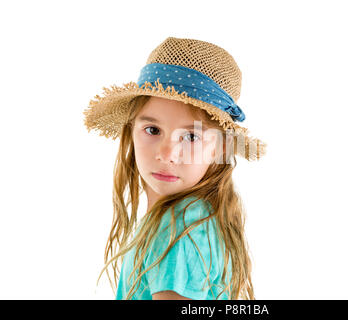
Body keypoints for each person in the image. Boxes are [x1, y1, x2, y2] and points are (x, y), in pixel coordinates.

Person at [83, 37, 267, 300]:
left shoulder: (179, 226)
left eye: (191, 137)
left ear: (218, 148)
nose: (167, 154)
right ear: (132, 130)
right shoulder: (193, 216)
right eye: (153, 130)